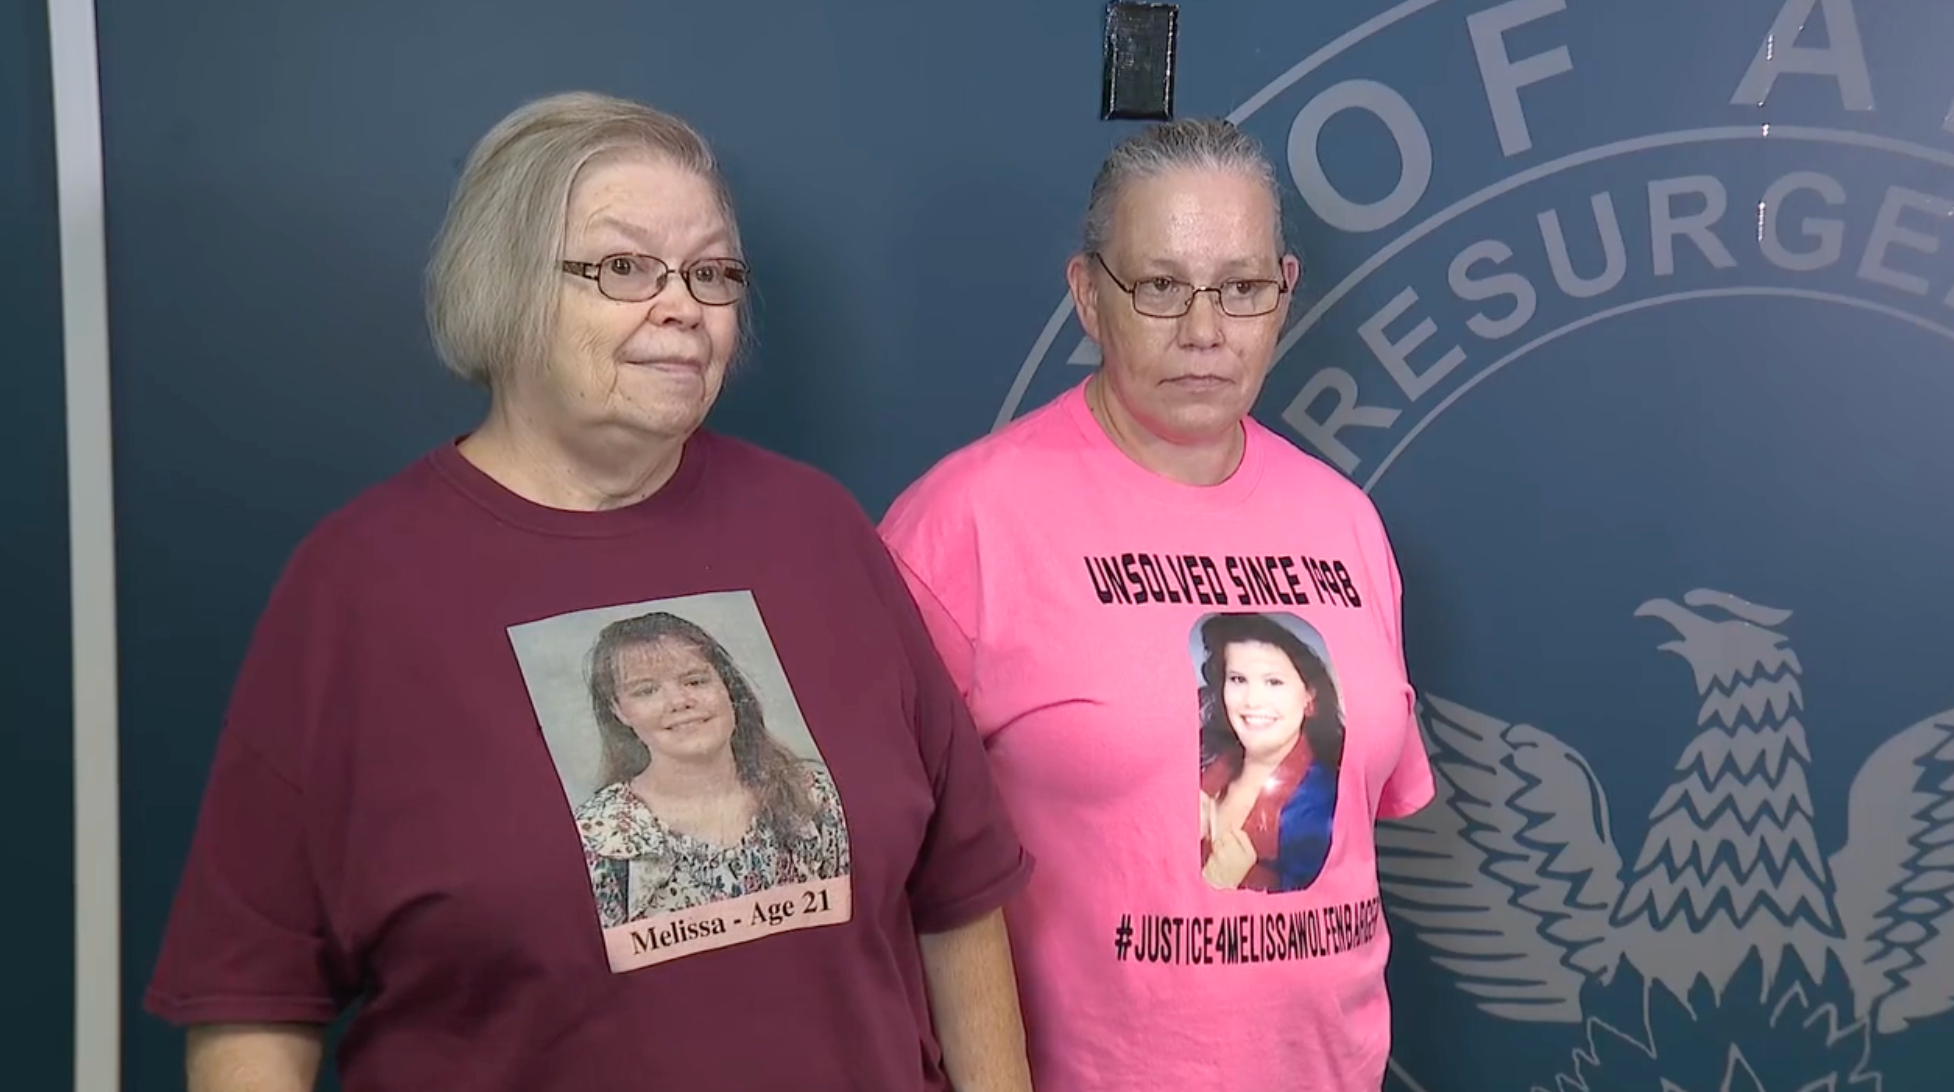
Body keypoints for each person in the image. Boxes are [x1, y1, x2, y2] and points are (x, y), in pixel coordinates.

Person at [146, 90, 1035, 1092]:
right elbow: (253, 995)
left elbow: (956, 896)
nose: (683, 305)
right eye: (623, 268)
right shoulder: (359, 584)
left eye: (712, 272)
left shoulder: (818, 529)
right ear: (506, 285)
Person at [878, 117, 1436, 1092]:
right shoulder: (961, 527)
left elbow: (1352, 834)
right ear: (1088, 297)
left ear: (1284, 295)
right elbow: (886, 884)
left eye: (1241, 288)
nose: (1205, 331)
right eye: (1161, 286)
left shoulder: (1345, 523)